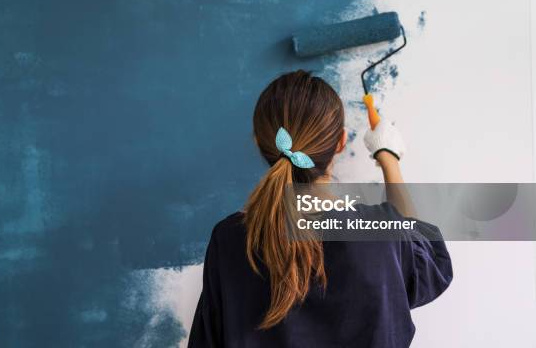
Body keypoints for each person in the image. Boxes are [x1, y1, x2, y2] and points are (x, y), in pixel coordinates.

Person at [188, 70, 452, 347]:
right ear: (340, 142)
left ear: (260, 143)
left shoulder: (229, 240)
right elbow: (430, 262)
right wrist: (389, 159)